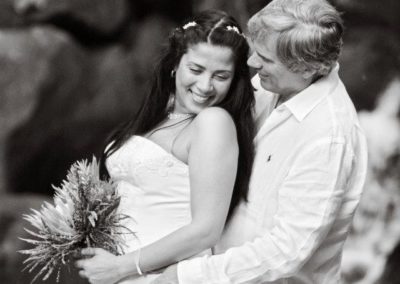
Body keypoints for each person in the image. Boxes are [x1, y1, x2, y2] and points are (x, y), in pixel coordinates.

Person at [152, 0, 368, 283]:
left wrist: (187, 275)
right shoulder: (270, 86)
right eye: (256, 51)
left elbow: (286, 251)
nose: (252, 63)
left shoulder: (328, 137)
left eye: (265, 60)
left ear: (306, 69)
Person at [75, 9, 255, 284]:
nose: (205, 86)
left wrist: (122, 267)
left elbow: (207, 229)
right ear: (174, 64)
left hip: (162, 275)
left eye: (221, 76)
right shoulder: (157, 117)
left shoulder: (213, 122)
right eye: (196, 69)